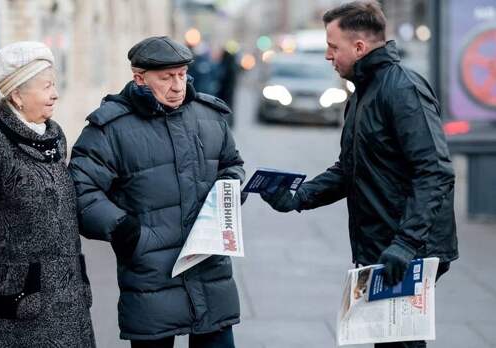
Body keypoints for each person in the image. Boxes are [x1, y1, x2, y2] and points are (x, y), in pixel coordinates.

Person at [261, 2, 458, 347]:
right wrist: (299, 197)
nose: (327, 55)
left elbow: (435, 171)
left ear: (359, 47)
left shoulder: (402, 89)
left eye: (332, 46)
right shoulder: (362, 92)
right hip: (382, 242)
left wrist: (405, 244)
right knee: (389, 340)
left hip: (409, 247)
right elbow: (349, 168)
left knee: (401, 341)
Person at [69, 36, 245, 348]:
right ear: (139, 78)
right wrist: (126, 230)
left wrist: (228, 193)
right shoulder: (110, 129)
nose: (178, 86)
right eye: (166, 78)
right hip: (150, 275)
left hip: (209, 272)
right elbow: (80, 190)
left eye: (181, 75)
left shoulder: (209, 115)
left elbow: (231, 164)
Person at [0, 41, 95, 347]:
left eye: (54, 85)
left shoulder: (54, 136)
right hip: (17, 306)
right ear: (16, 94)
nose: (55, 94)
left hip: (68, 299)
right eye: (46, 87)